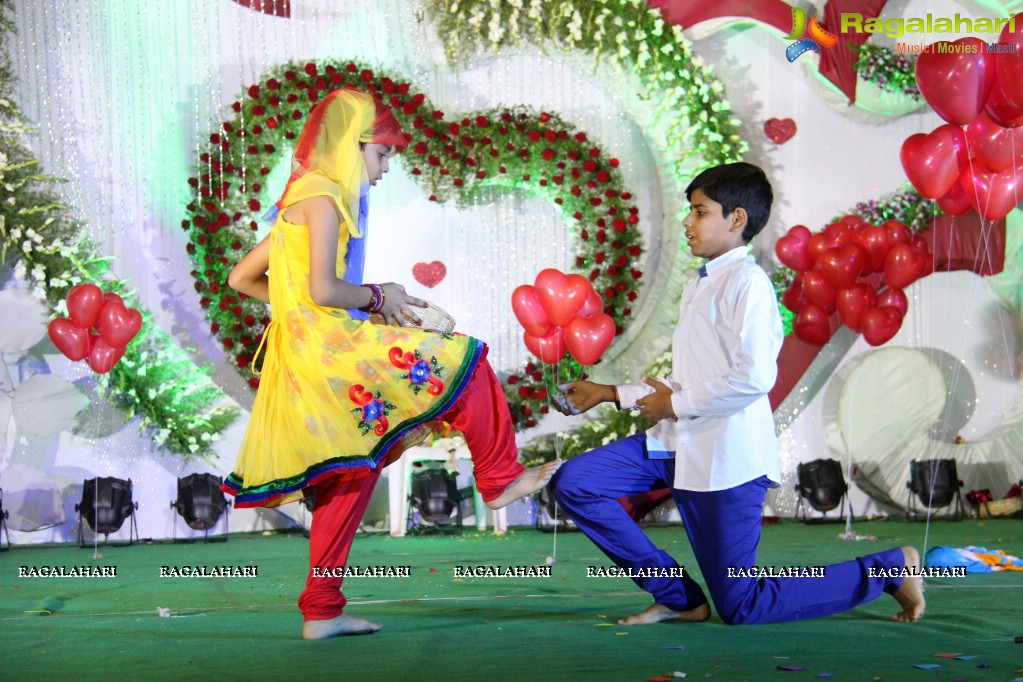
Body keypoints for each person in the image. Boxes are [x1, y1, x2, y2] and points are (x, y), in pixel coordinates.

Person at [222, 88, 560, 640]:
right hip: (332, 350)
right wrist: (380, 296)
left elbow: (242, 279)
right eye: (381, 155)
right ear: (351, 146)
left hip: (303, 357)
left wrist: (304, 310)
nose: (383, 170)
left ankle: (322, 610)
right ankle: (498, 479)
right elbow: (326, 287)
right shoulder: (326, 197)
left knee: (349, 475)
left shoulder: (298, 199)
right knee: (465, 362)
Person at [551, 162, 924, 626]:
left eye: (699, 211)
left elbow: (753, 378)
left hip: (725, 460)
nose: (688, 222)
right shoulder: (700, 284)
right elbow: (689, 380)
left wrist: (675, 404)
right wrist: (609, 392)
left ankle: (889, 568)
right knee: (577, 483)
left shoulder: (748, 283)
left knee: (742, 605)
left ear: (737, 219)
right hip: (677, 444)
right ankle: (678, 597)